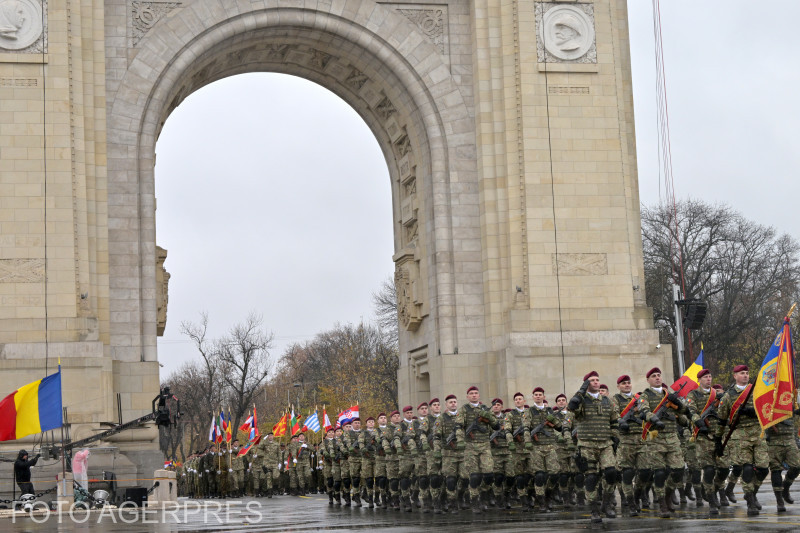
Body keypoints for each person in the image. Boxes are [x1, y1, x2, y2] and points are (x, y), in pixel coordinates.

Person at [715, 364, 769, 516]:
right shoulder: (728, 395)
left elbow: (766, 408)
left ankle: (752, 492)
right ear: (735, 376)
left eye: (747, 373)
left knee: (763, 468)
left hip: (758, 433)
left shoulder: (757, 390)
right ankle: (751, 501)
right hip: (740, 435)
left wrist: (753, 412)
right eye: (742, 373)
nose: (745, 375)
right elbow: (722, 419)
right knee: (746, 468)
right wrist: (718, 440)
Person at [567, 370, 619, 523]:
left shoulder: (607, 401)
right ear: (586, 384)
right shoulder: (581, 400)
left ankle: (606, 503)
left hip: (605, 443)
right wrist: (581, 391)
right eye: (592, 380)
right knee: (591, 477)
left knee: (611, 473)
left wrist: (615, 438)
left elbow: (614, 420)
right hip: (587, 445)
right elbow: (572, 407)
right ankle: (594, 509)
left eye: (597, 379)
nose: (596, 382)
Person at [455, 385, 499, 514]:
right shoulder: (464, 410)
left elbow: (496, 426)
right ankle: (475, 502)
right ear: (467, 396)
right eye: (471, 393)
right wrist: (460, 441)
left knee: (489, 474)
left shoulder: (485, 409)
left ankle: (484, 495)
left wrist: (489, 417)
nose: (474, 395)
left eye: (476, 393)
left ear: (479, 396)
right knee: (474, 476)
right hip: (470, 446)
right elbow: (458, 426)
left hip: (485, 445)